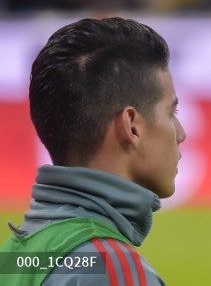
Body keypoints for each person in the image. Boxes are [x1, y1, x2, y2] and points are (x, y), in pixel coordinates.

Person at [0, 17, 185, 285]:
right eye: (172, 112)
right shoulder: (112, 270)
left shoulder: (15, 256)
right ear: (132, 126)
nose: (181, 133)